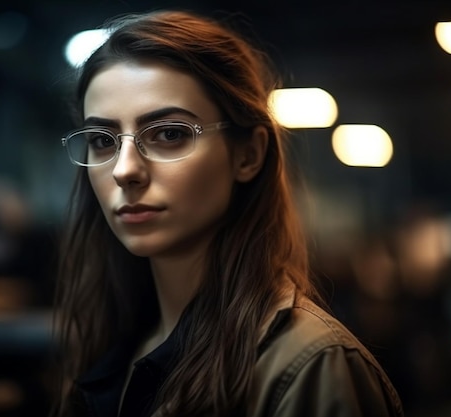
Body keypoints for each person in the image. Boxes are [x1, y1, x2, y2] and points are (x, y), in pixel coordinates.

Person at [53, 10, 403, 417]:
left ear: (249, 154)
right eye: (101, 139)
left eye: (170, 133)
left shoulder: (312, 366)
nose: (124, 169)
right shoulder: (112, 348)